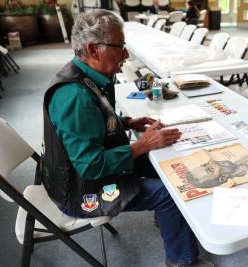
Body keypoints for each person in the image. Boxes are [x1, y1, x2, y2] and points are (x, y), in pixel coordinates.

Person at [41, 9, 213, 267]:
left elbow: (92, 123)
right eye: (119, 47)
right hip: (80, 190)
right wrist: (143, 144)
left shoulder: (87, 76)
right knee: (171, 192)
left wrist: (127, 122)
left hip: (84, 173)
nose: (126, 54)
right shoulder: (74, 96)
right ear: (94, 49)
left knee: (164, 162)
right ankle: (182, 260)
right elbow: (90, 166)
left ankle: (167, 217)